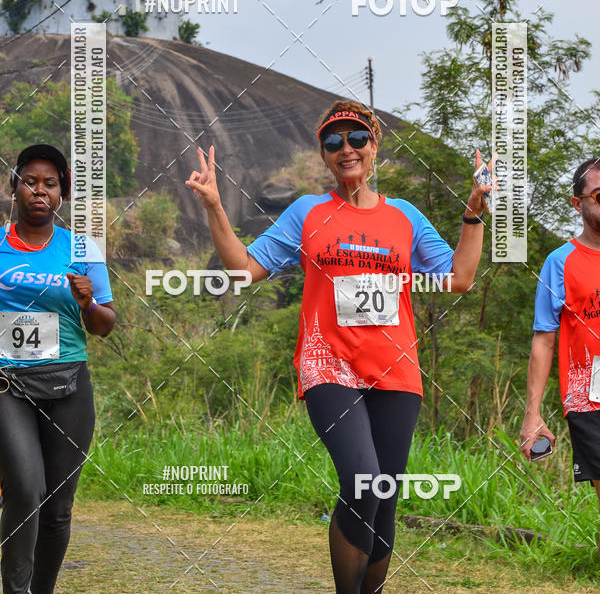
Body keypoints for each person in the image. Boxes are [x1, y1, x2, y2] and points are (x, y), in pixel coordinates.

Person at [186, 100, 491, 594]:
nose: (345, 149)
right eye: (333, 142)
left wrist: (473, 212)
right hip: (328, 364)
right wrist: (216, 207)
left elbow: (459, 279)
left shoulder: (405, 216)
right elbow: (244, 269)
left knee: (384, 495)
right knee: (362, 477)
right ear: (324, 156)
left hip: (395, 370)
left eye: (356, 139)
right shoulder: (308, 212)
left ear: (374, 148)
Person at [0, 144, 115, 594]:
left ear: (61, 195)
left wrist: (88, 302)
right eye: (30, 181)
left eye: (50, 184)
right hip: (8, 384)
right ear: (15, 189)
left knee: (58, 507)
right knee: (25, 491)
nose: (39, 191)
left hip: (68, 386)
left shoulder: (83, 247)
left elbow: (105, 325)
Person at [521, 156, 600, 555]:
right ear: (578, 203)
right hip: (590, 399)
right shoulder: (560, 263)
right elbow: (543, 340)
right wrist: (533, 415)